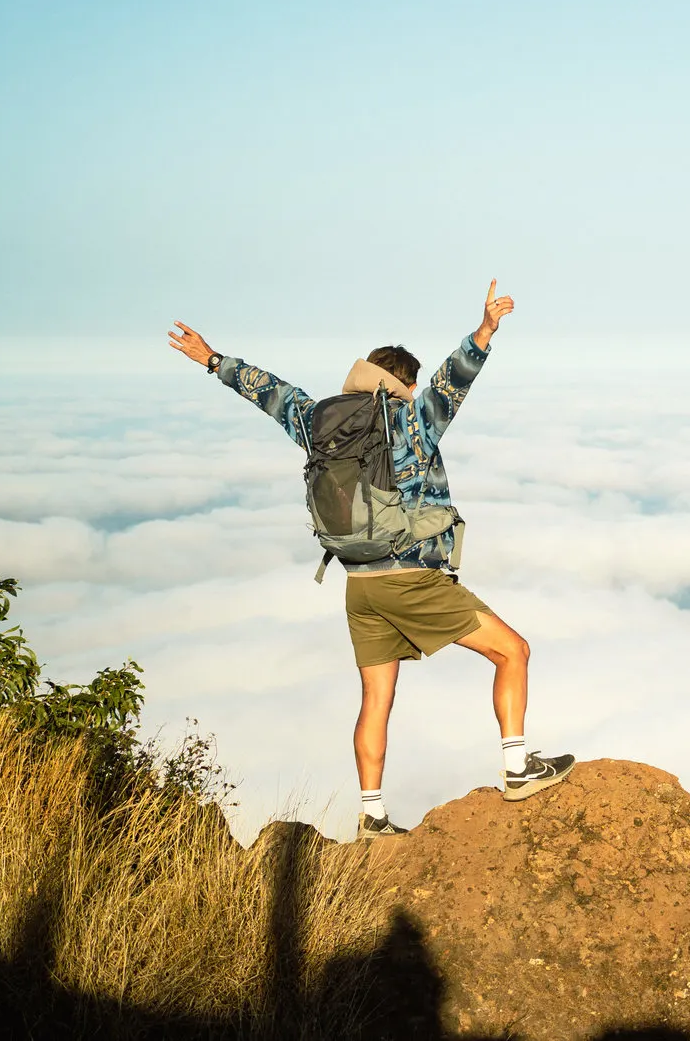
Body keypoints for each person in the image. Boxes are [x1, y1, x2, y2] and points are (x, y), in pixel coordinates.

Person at [166, 279, 572, 841]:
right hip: (412, 579)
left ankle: (372, 816)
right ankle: (517, 768)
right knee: (514, 652)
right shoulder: (410, 420)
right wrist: (484, 330)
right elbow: (455, 378)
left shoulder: (320, 422)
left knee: (376, 698)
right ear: (403, 382)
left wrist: (211, 359)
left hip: (359, 584)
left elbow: (271, 393)